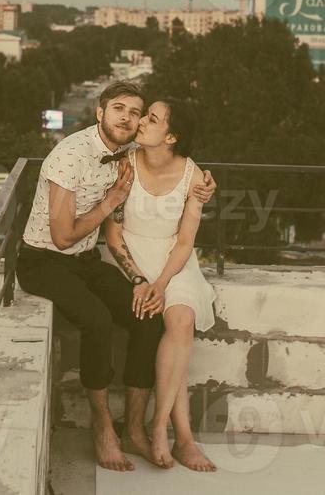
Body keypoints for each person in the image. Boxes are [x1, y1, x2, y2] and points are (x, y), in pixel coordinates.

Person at [15, 81, 215, 472]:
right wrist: (111, 201)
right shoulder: (68, 156)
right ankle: (104, 426)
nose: (128, 118)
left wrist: (206, 184)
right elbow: (61, 235)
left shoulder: (127, 149)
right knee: (97, 321)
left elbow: (178, 165)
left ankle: (136, 429)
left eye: (136, 112)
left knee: (147, 319)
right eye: (119, 109)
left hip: (86, 259)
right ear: (99, 112)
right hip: (44, 260)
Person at [103, 99, 217, 472]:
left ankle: (158, 427)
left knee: (181, 321)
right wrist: (141, 279)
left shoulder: (195, 178)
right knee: (173, 336)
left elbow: (185, 242)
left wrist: (163, 283)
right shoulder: (125, 164)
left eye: (151, 119)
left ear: (170, 136)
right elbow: (113, 234)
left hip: (173, 259)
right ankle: (182, 438)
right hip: (130, 256)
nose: (140, 123)